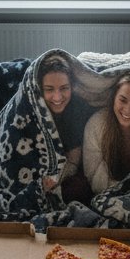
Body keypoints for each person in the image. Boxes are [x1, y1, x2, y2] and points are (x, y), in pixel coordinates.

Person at [82, 71, 130, 194]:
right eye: (123, 100)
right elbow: (93, 176)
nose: (127, 109)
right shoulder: (96, 124)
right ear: (114, 98)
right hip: (106, 195)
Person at [37, 53, 94, 203]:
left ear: (72, 87)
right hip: (40, 168)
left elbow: (74, 160)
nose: (57, 97)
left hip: (70, 168)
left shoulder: (77, 109)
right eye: (49, 89)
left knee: (79, 189)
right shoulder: (33, 106)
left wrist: (56, 179)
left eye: (64, 88)